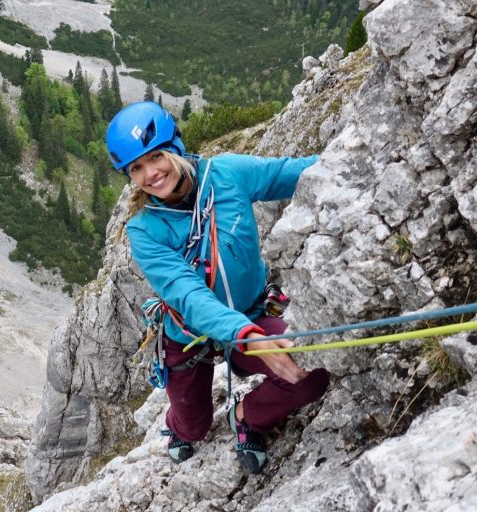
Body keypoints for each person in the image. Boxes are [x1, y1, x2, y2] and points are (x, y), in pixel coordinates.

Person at [105, 101, 330, 475]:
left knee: (310, 375)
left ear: (175, 148)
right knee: (194, 426)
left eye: (155, 156)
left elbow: (294, 173)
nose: (151, 174)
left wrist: (354, 154)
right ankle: (178, 426)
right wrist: (243, 334)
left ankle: (247, 417)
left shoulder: (226, 174)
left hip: (251, 314)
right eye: (136, 168)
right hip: (189, 334)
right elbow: (187, 294)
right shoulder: (143, 229)